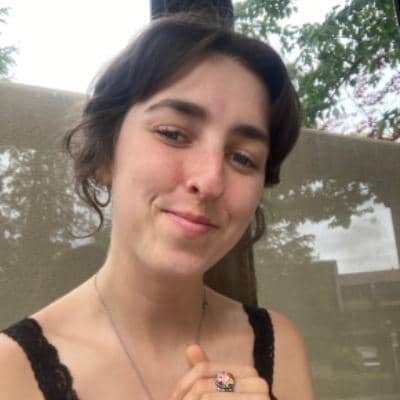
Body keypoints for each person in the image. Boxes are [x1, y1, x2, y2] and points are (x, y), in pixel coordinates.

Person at [0, 13, 314, 400]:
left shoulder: (279, 346)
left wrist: (229, 386)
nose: (210, 181)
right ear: (104, 156)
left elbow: (225, 384)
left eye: (242, 158)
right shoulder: (11, 373)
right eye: (173, 134)